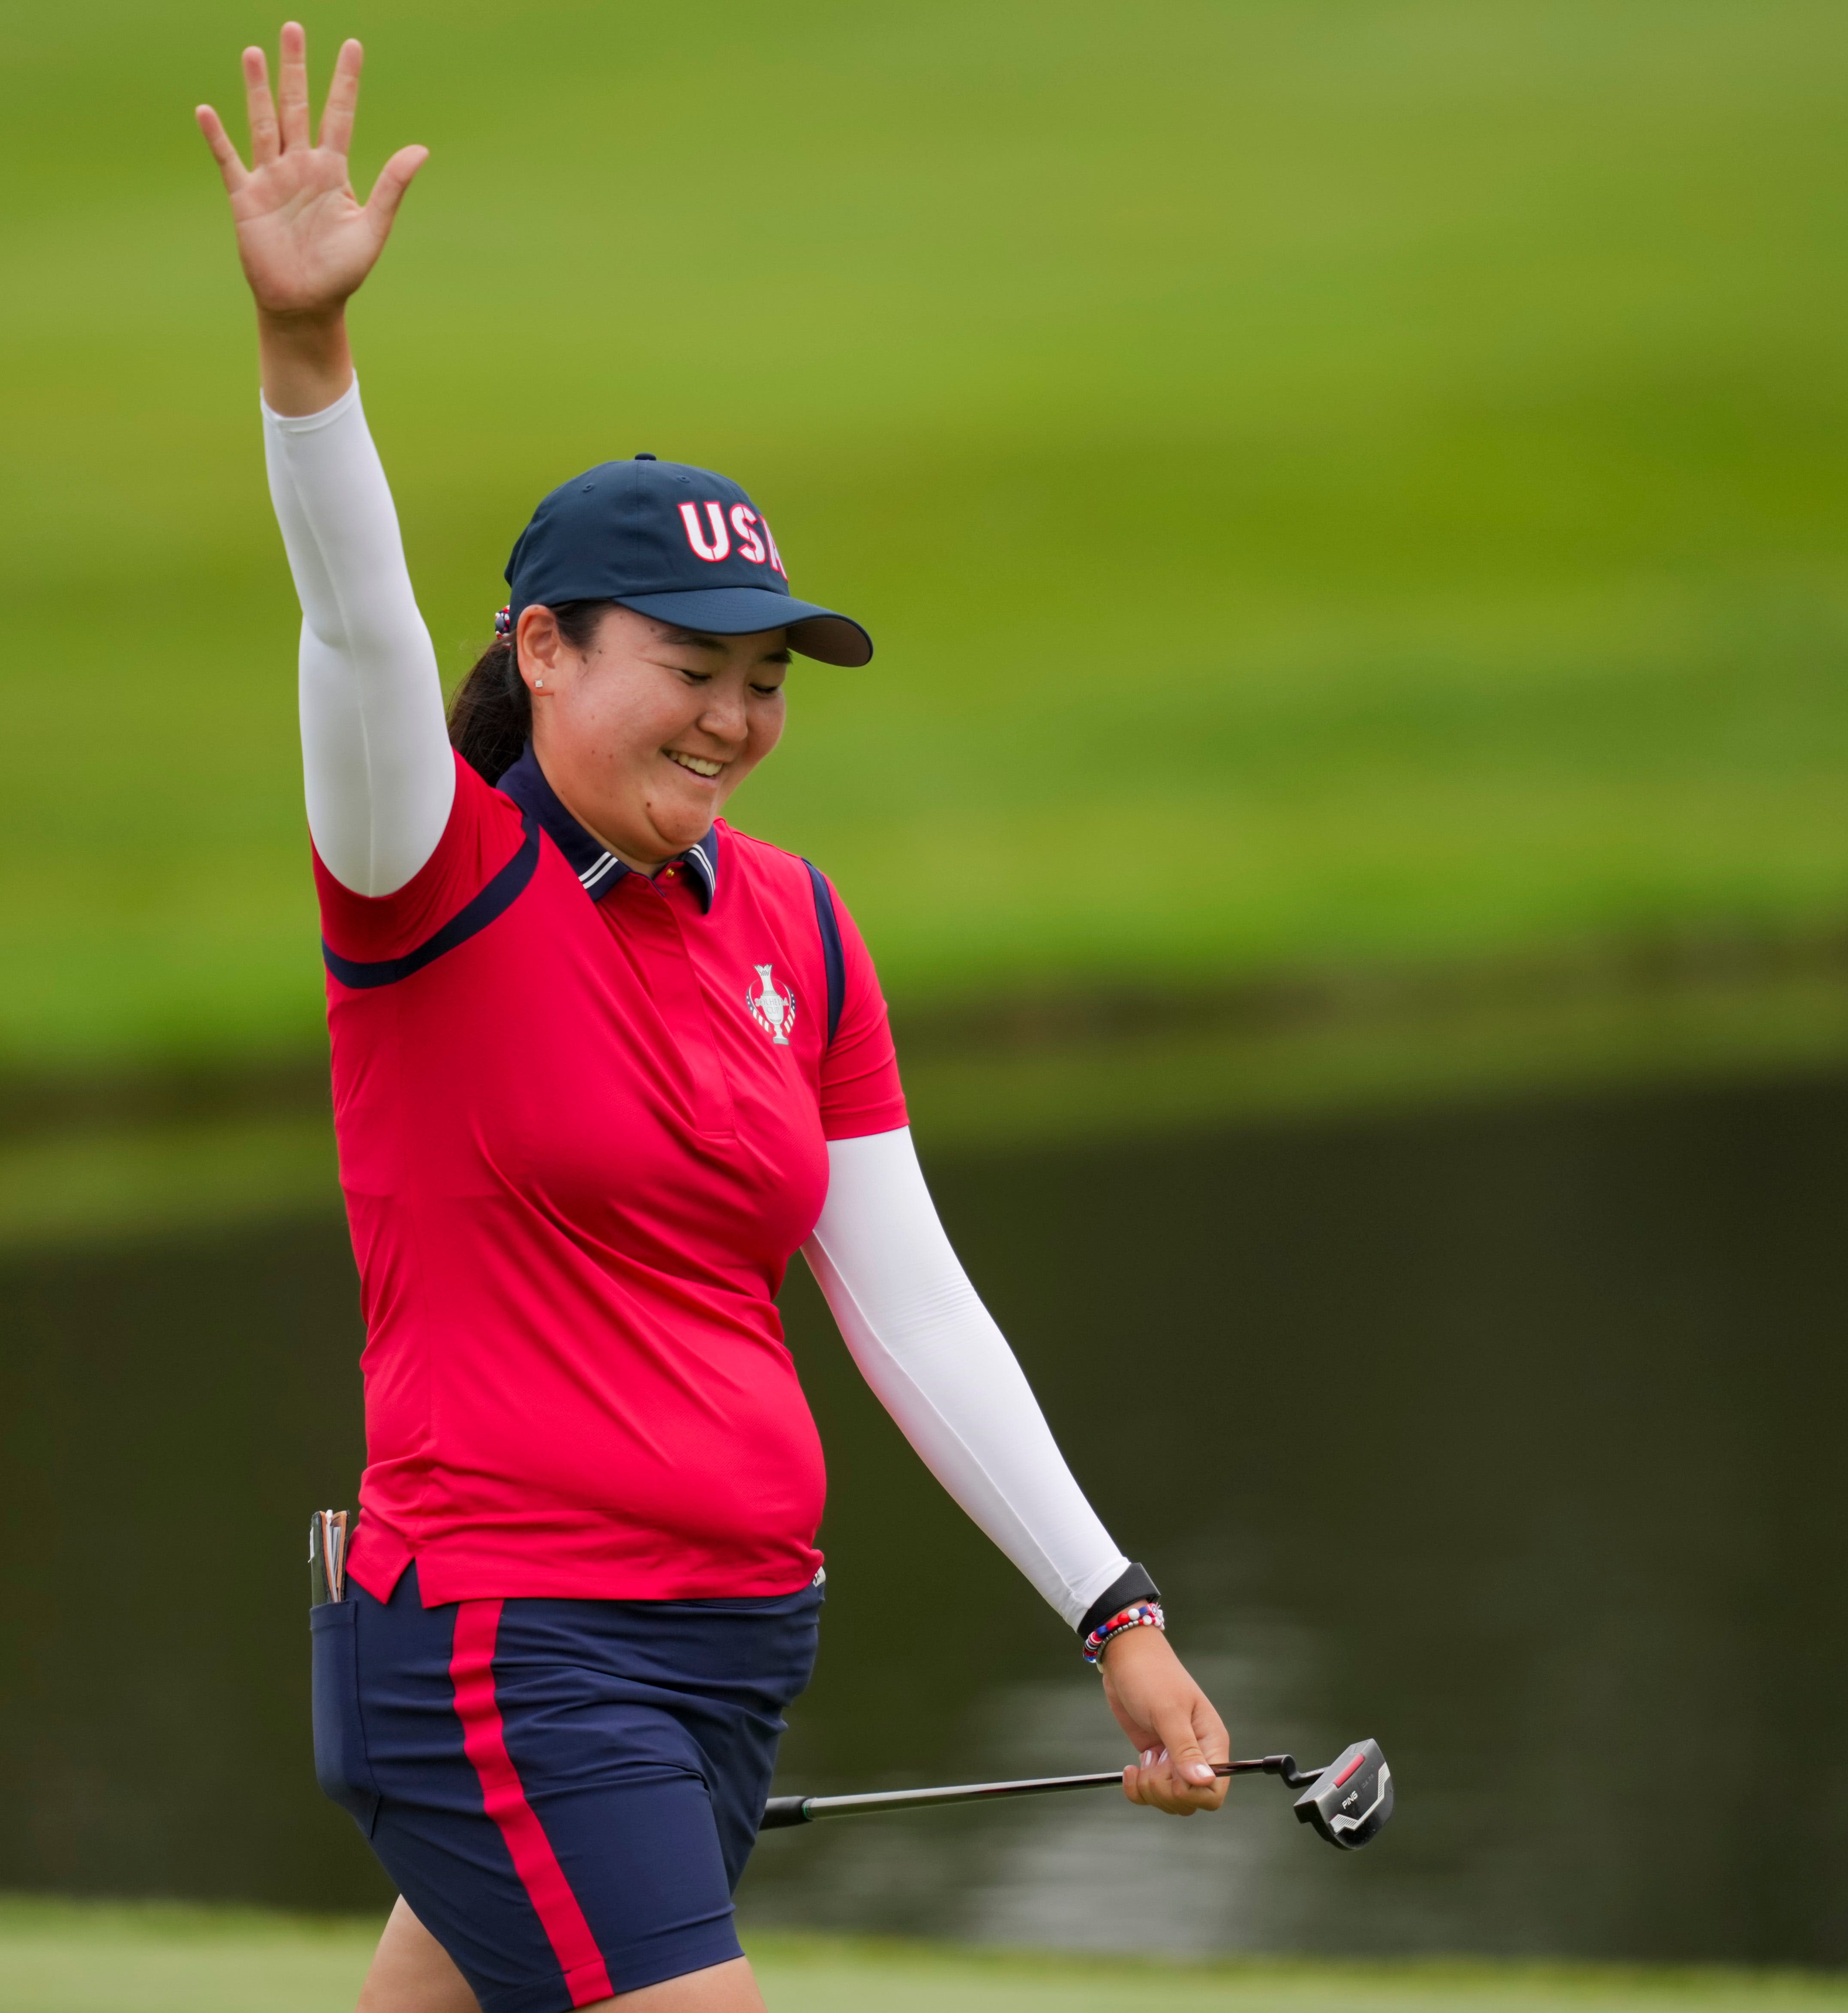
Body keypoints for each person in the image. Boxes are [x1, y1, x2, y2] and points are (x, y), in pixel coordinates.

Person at [197, 26, 1234, 2013]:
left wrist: (1114, 1608)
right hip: (512, 1639)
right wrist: (307, 362)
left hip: (733, 1647)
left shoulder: (795, 927)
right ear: (544, 648)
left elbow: (908, 1298)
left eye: (768, 680)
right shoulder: (426, 876)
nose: (736, 721)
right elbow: (352, 622)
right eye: (690, 667)